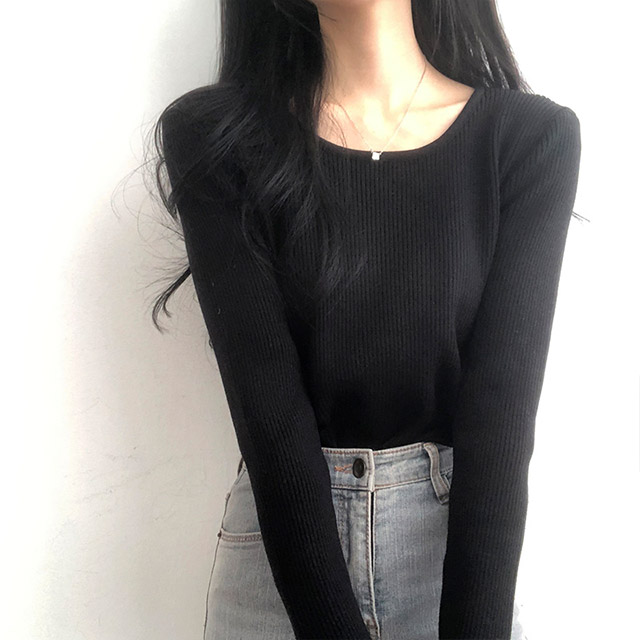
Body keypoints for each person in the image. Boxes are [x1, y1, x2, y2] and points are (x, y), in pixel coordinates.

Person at [152, 1, 582, 638]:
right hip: (282, 559)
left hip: (450, 557)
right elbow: (266, 411)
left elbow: (501, 416)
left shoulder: (528, 138)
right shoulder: (218, 137)